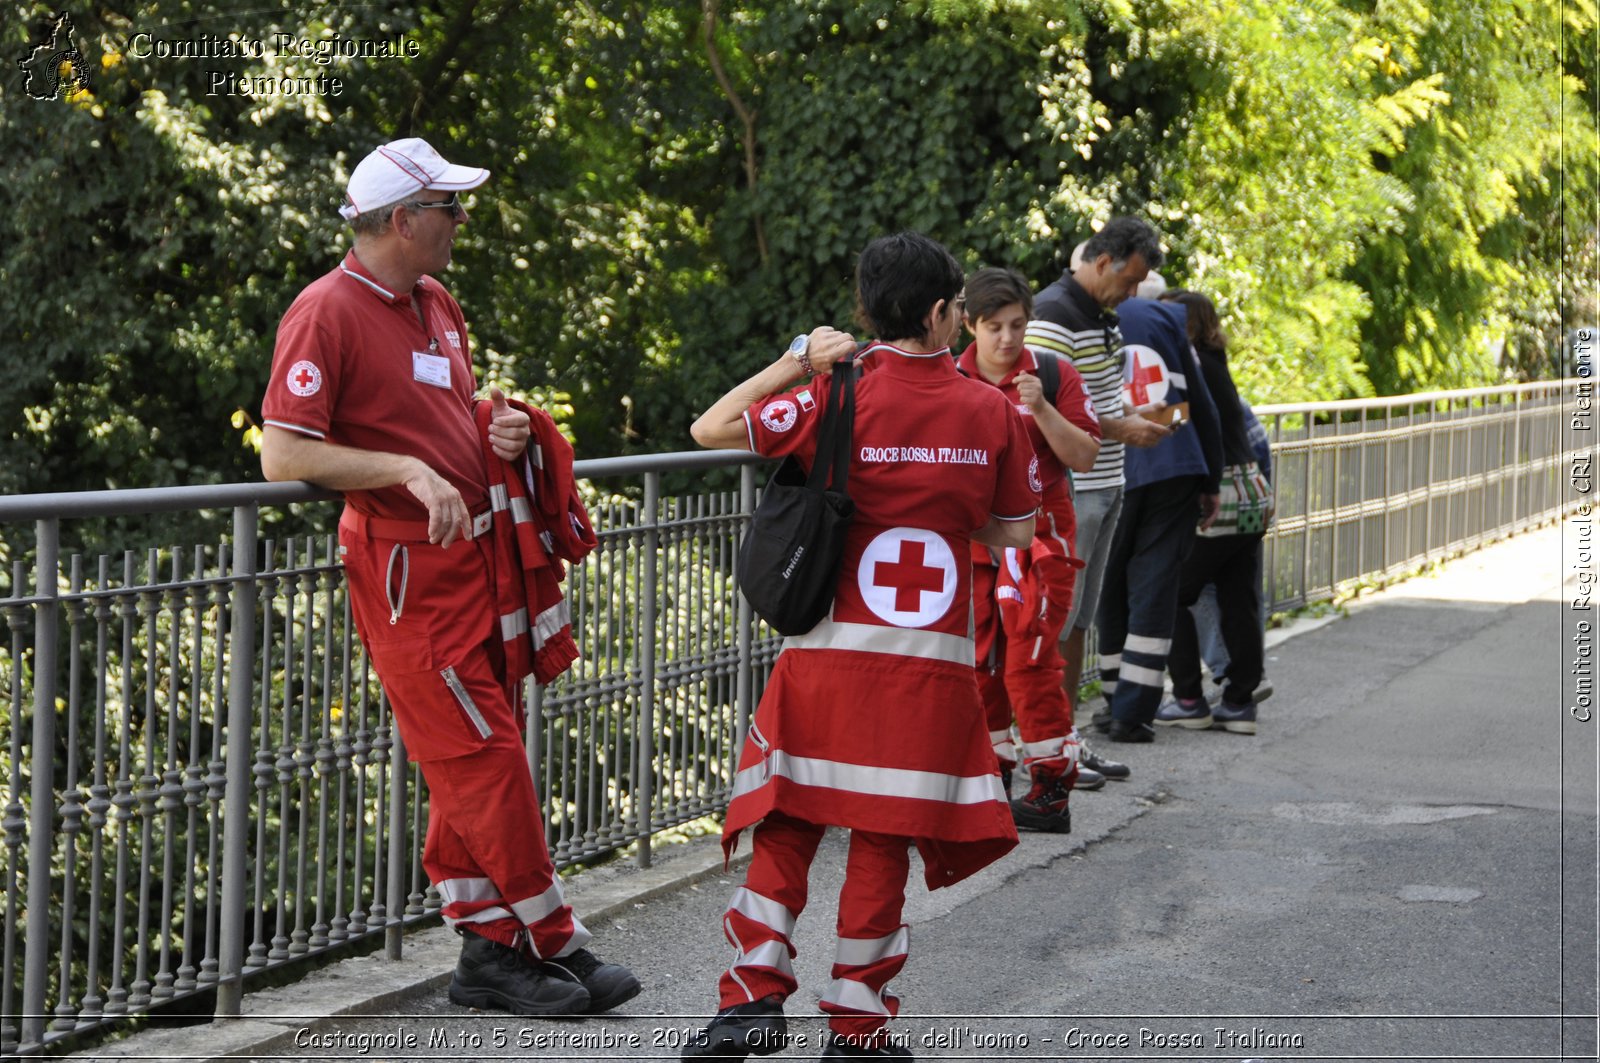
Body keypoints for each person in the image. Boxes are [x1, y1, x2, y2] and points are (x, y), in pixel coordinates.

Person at [259, 138, 639, 1018]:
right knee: (484, 751)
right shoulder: (324, 310)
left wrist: (494, 431)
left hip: (470, 562)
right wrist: (407, 471)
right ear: (403, 220)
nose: (461, 222)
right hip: (403, 574)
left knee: (470, 749)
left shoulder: (435, 300)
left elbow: (440, 409)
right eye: (450, 208)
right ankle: (554, 938)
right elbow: (283, 449)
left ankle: (489, 953)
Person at [683, 232, 1039, 1060]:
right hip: (928, 670)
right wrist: (942, 512)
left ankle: (751, 1001)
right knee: (884, 835)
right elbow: (1015, 526)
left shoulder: (832, 396)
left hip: (828, 657)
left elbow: (711, 427)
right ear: (944, 313)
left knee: (788, 820)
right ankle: (856, 1023)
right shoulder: (992, 412)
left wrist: (797, 360)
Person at [955, 267, 1110, 824]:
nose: (1007, 338)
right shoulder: (949, 379)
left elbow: (1086, 457)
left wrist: (1041, 407)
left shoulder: (1052, 373)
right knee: (980, 665)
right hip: (973, 546)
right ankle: (992, 779)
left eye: (1017, 324)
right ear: (968, 324)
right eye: (993, 326)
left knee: (1032, 664)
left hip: (1041, 546)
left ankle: (1050, 791)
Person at [1024, 218, 1172, 744]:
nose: (1131, 294)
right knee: (1059, 619)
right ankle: (1049, 740)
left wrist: (1134, 414)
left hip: (1105, 482)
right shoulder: (1054, 316)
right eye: (1128, 282)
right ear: (1103, 262)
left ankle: (1065, 739)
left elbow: (1093, 399)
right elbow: (1040, 411)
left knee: (1080, 617)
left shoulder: (1098, 315)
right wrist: (1122, 427)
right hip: (1073, 488)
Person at [1090, 291, 1224, 743]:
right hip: (1171, 466)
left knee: (1109, 584)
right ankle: (1133, 711)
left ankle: (1110, 701)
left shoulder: (1080, 314)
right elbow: (1198, 406)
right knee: (1154, 588)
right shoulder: (1168, 318)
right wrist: (1211, 480)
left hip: (1108, 467)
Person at [1155, 289, 1270, 733]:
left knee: (1168, 592)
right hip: (1252, 494)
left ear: (1183, 325)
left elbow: (1181, 419)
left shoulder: (1190, 366)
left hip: (1218, 496)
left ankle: (1187, 697)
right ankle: (1240, 700)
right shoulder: (1217, 361)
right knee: (1238, 596)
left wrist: (1129, 419)